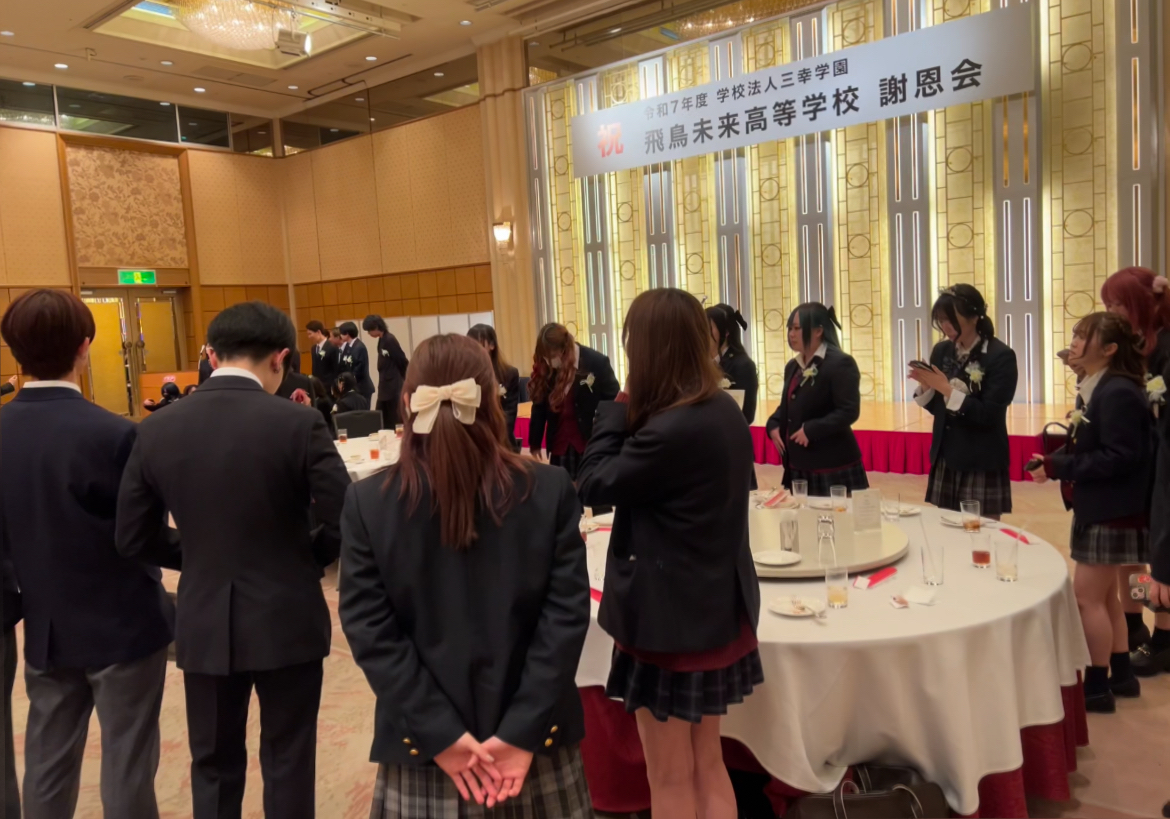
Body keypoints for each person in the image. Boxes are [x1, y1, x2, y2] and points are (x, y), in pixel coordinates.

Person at [339, 333, 592, 817]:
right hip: (535, 747)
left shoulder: (368, 503)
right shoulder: (550, 489)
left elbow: (371, 633)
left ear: (407, 403)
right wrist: (521, 731)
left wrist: (441, 734)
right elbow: (564, 621)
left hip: (425, 752)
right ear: (493, 400)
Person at [116, 301, 351, 819]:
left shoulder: (156, 428)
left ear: (211, 355)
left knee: (214, 764)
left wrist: (200, 554)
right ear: (281, 358)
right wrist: (303, 557)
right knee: (289, 760)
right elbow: (347, 520)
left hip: (203, 617)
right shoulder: (299, 422)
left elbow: (131, 536)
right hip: (287, 613)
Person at [578, 288, 761, 819]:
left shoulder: (670, 428)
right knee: (708, 763)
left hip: (669, 624)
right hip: (717, 611)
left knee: (670, 775)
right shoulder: (721, 409)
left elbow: (592, 481)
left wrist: (621, 401)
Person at [0, 289, 175, 819]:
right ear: (85, 345)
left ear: (14, 352)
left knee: (47, 765)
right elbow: (142, 534)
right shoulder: (116, 433)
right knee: (127, 767)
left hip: (47, 626)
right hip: (125, 622)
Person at [1028, 312, 1150, 713]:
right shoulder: (1100, 386)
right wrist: (1054, 462)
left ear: (1110, 349)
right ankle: (1121, 674)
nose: (1074, 343)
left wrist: (1059, 465)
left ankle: (1096, 688)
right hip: (1105, 505)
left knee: (1086, 600)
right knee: (1106, 597)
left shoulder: (1117, 392)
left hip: (1112, 509)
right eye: (1076, 335)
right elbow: (1097, 447)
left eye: (1084, 336)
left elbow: (1120, 457)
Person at [1099, 268, 1170, 658]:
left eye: (1118, 304)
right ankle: (1134, 621)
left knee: (1160, 555)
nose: (1112, 312)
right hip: (1138, 464)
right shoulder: (1133, 343)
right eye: (1108, 304)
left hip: (1160, 462)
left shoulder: (1165, 345)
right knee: (1133, 554)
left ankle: (1163, 634)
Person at [910, 284, 1017, 518]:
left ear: (975, 317)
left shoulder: (1000, 356)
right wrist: (927, 387)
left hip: (981, 457)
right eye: (941, 320)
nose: (945, 327)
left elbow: (988, 414)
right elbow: (940, 409)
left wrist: (946, 389)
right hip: (946, 454)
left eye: (951, 320)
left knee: (981, 530)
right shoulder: (941, 351)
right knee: (947, 529)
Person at [765, 303, 868, 494]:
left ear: (818, 331)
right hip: (798, 463)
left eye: (797, 328)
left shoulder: (840, 363)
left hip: (831, 464)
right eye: (789, 328)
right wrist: (773, 423)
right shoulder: (792, 366)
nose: (791, 334)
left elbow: (849, 411)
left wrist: (811, 430)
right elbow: (789, 404)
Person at [528, 323, 619, 479]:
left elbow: (613, 401)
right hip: (559, 445)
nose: (548, 361)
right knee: (562, 490)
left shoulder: (596, 362)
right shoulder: (546, 366)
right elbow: (539, 406)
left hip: (589, 443)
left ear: (563, 349)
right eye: (545, 357)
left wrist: (606, 437)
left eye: (551, 355)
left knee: (591, 489)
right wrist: (535, 443)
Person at [468, 323, 521, 448]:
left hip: (502, 440)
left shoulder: (509, 374)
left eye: (479, 344)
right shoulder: (465, 374)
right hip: (474, 441)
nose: (474, 350)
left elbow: (510, 415)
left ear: (492, 345)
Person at [708, 304, 759, 424]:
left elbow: (747, 414)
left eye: (708, 327)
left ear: (725, 332)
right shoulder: (699, 364)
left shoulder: (743, 365)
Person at [362, 314, 409, 428]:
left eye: (369, 330)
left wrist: (406, 379)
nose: (369, 333)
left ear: (376, 327)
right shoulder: (382, 340)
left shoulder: (390, 340)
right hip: (385, 385)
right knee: (381, 416)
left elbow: (401, 360)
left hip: (393, 386)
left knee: (394, 416)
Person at [338, 321, 375, 406]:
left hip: (362, 387)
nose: (340, 336)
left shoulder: (359, 347)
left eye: (341, 333)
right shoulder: (348, 346)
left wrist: (349, 381)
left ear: (347, 334)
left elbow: (359, 368)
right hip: (354, 387)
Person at [306, 320, 339, 387]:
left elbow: (336, 369)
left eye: (310, 334)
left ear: (318, 332)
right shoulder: (313, 348)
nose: (309, 337)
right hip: (317, 386)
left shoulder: (332, 347)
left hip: (329, 385)